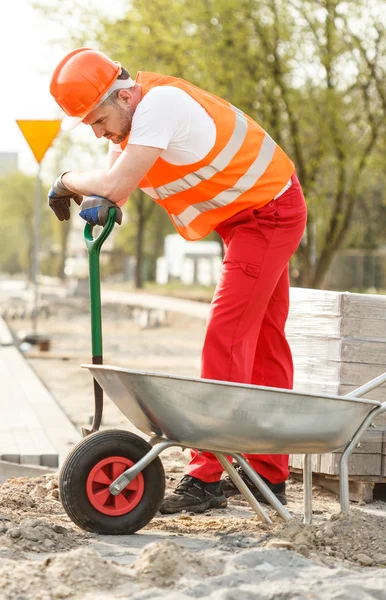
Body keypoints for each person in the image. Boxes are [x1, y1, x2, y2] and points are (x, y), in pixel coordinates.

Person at [49, 47, 307, 514]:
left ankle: (207, 475)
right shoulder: (129, 126)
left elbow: (115, 186)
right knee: (265, 339)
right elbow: (111, 180)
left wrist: (67, 180)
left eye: (97, 118)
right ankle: (270, 473)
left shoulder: (161, 107)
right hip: (245, 217)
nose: (97, 130)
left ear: (125, 96)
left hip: (269, 215)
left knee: (226, 337)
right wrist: (100, 194)